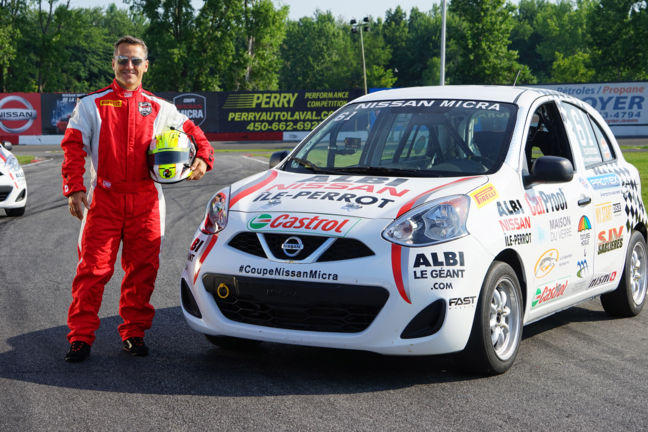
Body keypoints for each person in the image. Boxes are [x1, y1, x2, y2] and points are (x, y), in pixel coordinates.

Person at [61, 35, 214, 362]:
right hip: (104, 199)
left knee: (142, 271)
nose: (128, 66)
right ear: (113, 64)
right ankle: (81, 337)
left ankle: (133, 333)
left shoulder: (162, 108)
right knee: (93, 272)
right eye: (122, 60)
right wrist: (74, 188)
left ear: (145, 66)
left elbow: (198, 137)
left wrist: (203, 157)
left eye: (135, 61)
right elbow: (73, 146)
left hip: (146, 203)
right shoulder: (91, 105)